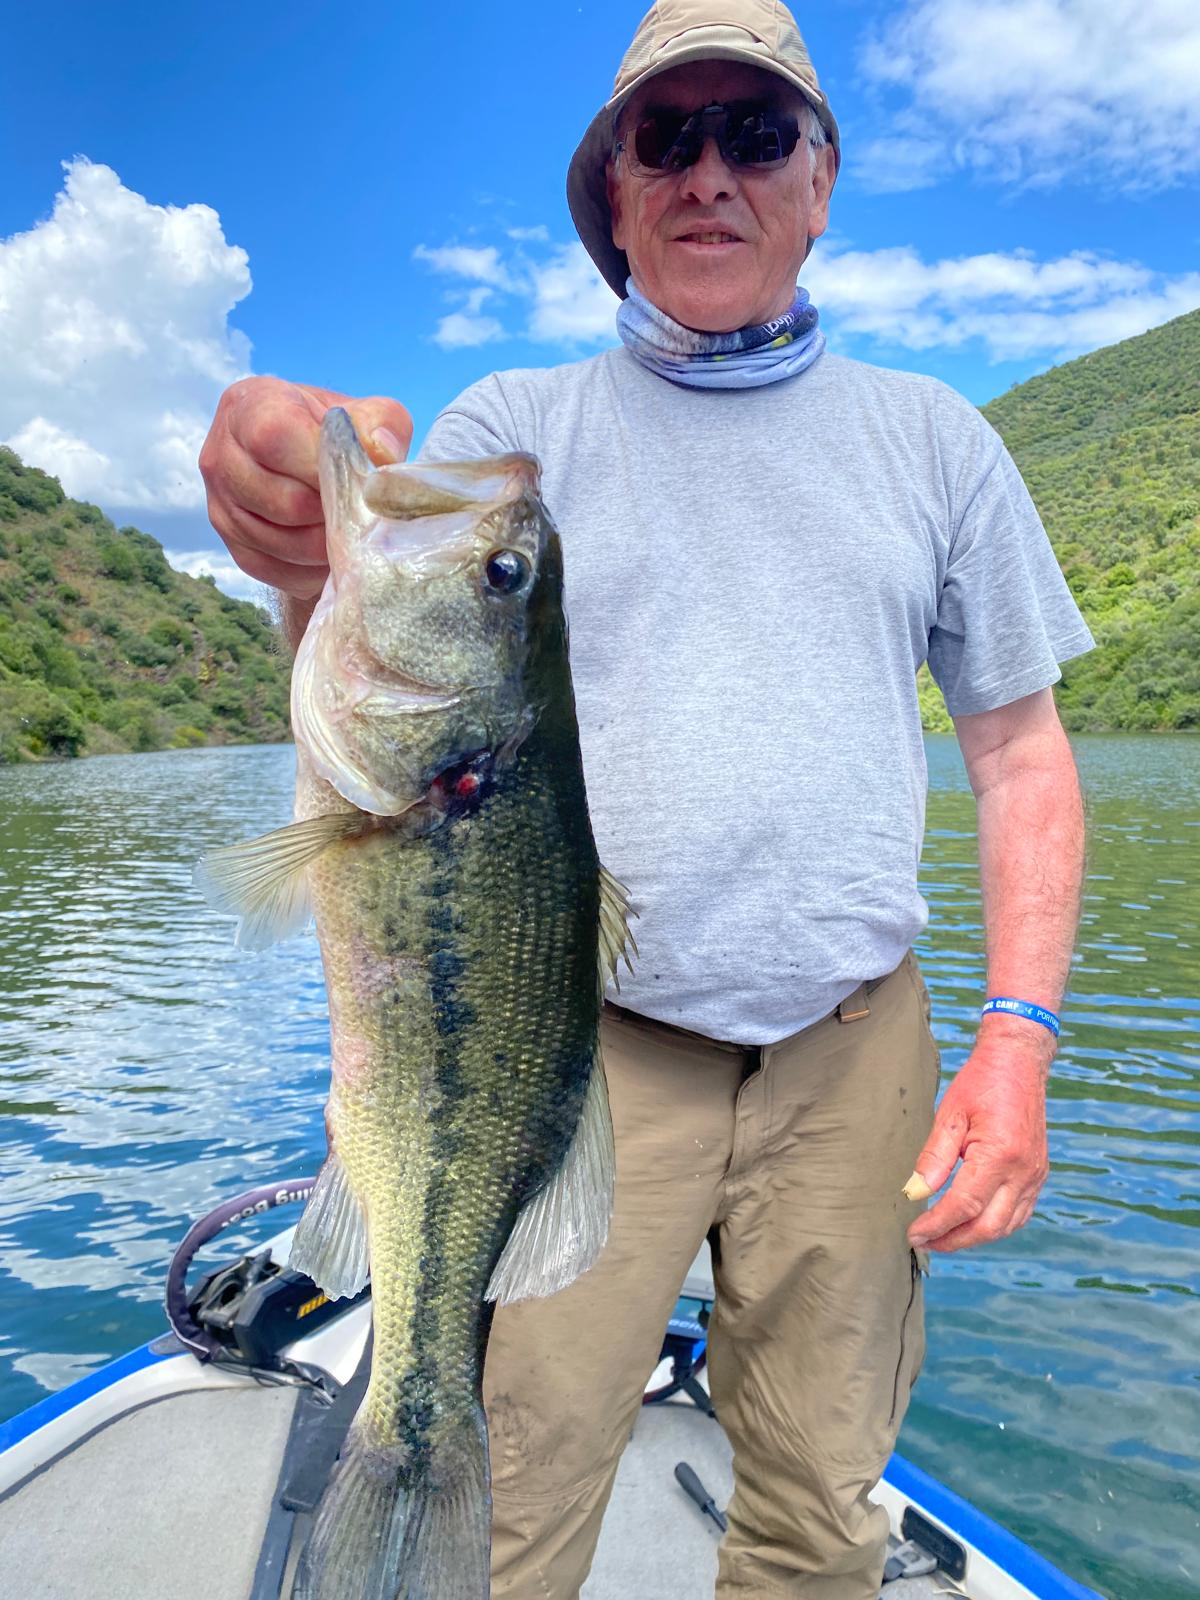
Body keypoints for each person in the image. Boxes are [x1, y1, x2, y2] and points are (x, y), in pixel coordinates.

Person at [199, 3, 1093, 1594]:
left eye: (755, 134)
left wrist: (1017, 1037)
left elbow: (1021, 755)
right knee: (520, 1503)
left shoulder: (938, 441)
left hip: (852, 1048)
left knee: (822, 1505)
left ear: (821, 182)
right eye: (660, 139)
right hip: (573, 1049)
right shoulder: (512, 440)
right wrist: (287, 528)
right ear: (610, 196)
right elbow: (376, 658)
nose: (707, 174)